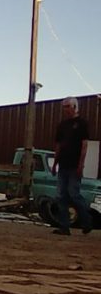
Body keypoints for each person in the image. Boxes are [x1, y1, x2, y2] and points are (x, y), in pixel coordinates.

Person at [50, 96, 93, 235]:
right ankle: (64, 226)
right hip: (63, 165)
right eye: (64, 107)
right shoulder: (62, 125)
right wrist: (55, 163)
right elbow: (58, 146)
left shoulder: (82, 124)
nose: (65, 110)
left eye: (67, 107)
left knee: (74, 194)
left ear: (74, 106)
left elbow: (84, 145)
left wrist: (81, 164)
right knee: (61, 195)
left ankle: (87, 220)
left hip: (74, 165)